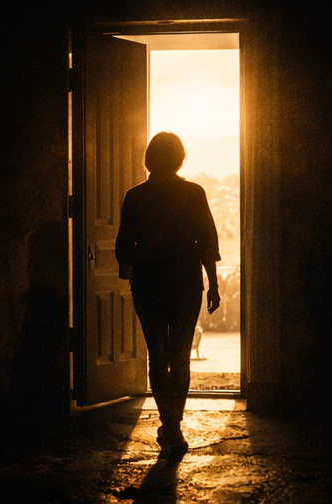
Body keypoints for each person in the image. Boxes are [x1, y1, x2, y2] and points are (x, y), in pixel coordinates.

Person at [115, 133, 221, 457]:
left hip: (148, 285)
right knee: (180, 356)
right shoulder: (194, 193)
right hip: (187, 283)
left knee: (157, 356)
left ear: (149, 158)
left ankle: (169, 425)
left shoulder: (135, 197)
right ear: (179, 158)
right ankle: (174, 427)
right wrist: (214, 285)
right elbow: (207, 243)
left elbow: (123, 247)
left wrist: (129, 269)